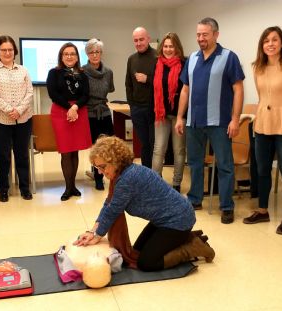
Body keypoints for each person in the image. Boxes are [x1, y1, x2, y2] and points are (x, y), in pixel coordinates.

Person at [74, 136, 215, 272]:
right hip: (163, 220)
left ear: (115, 160)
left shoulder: (127, 179)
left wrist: (97, 235)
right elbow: (109, 204)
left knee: (147, 263)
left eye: (102, 166)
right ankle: (185, 238)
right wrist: (92, 231)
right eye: (97, 167)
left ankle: (193, 248)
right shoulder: (122, 174)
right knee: (136, 252)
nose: (100, 172)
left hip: (178, 220)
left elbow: (113, 210)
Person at [176, 17, 245, 224]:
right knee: (195, 163)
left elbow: (238, 89)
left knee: (225, 165)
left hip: (220, 122)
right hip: (194, 122)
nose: (200, 38)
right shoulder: (193, 59)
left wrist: (235, 119)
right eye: (198, 34)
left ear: (216, 34)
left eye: (205, 34)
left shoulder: (228, 57)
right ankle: (195, 199)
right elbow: (185, 89)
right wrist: (180, 116)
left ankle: (226, 206)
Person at [243, 26, 282, 234]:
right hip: (263, 125)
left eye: (274, 40)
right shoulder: (257, 68)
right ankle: (263, 210)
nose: (270, 44)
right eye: (266, 41)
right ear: (262, 45)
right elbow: (263, 98)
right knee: (262, 171)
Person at [0, 35, 34, 203]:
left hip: (23, 119)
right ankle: (3, 189)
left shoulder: (23, 70)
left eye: (10, 50)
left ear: (15, 51)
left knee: (22, 155)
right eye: (3, 50)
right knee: (3, 156)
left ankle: (25, 188)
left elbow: (30, 93)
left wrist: (19, 110)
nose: (7, 52)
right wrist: (9, 110)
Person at [47, 43, 91, 201]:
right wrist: (69, 108)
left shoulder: (83, 74)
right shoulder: (54, 73)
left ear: (77, 57)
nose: (69, 56)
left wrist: (76, 107)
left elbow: (86, 95)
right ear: (61, 56)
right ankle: (67, 188)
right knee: (66, 151)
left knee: (75, 150)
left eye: (72, 53)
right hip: (61, 112)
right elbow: (53, 94)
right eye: (66, 54)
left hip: (79, 111)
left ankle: (73, 186)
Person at [152, 32, 187, 193]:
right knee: (159, 149)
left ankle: (176, 184)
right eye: (165, 46)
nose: (168, 49)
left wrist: (180, 115)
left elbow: (187, 90)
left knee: (178, 150)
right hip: (161, 113)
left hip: (180, 114)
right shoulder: (158, 64)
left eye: (171, 46)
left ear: (177, 47)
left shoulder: (185, 63)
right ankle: (156, 183)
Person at [83, 38, 115, 191]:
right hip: (89, 114)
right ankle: (98, 177)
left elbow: (110, 89)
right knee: (96, 148)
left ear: (101, 53)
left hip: (104, 112)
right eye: (91, 52)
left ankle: (112, 174)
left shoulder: (108, 72)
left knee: (108, 147)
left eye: (97, 52)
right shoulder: (82, 71)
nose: (94, 55)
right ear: (87, 54)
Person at [126, 27, 157, 168]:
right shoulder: (132, 59)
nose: (138, 43)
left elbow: (164, 82)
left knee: (154, 144)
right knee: (144, 144)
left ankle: (156, 176)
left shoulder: (158, 57)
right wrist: (132, 106)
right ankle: (146, 175)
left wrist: (148, 79)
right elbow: (128, 84)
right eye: (135, 40)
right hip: (137, 109)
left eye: (141, 39)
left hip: (154, 109)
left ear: (148, 39)